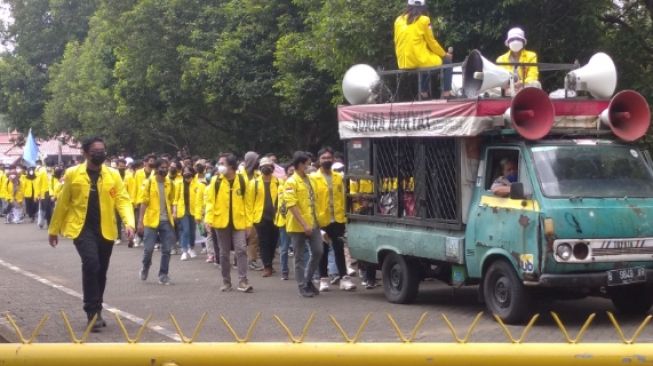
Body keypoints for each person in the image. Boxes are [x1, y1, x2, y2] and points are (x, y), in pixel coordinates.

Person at [48, 136, 135, 332]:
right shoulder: (72, 174)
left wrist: (129, 223)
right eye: (95, 151)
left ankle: (97, 307)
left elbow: (122, 200)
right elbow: (63, 203)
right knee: (91, 263)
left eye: (102, 150)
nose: (100, 154)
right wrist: (53, 230)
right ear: (86, 153)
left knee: (101, 270)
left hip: (106, 229)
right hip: (81, 228)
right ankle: (91, 312)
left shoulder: (113, 175)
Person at [206, 153, 254, 293]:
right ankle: (226, 281)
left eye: (222, 163)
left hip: (239, 222)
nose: (219, 166)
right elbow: (210, 202)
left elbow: (248, 204)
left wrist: (249, 224)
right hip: (221, 222)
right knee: (224, 253)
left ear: (231, 166)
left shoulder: (243, 181)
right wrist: (208, 220)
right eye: (219, 163)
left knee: (241, 249)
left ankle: (243, 281)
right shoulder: (216, 181)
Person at [312, 148, 356, 292]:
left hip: (337, 218)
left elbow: (343, 196)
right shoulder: (313, 178)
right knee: (322, 251)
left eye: (329, 157)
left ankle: (344, 278)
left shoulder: (338, 177)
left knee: (338, 248)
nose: (326, 160)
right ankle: (323, 279)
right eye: (324, 158)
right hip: (321, 219)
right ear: (319, 160)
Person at [394, 0, 453, 99]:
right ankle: (447, 93)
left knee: (426, 58)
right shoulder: (424, 20)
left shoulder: (398, 20)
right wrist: (445, 55)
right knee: (447, 61)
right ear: (423, 7)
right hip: (417, 59)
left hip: (403, 62)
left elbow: (396, 41)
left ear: (408, 6)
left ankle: (424, 93)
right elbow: (432, 43)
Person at [285, 151, 324, 298]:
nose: (310, 166)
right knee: (299, 257)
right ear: (300, 164)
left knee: (318, 251)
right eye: (308, 163)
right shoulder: (291, 182)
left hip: (313, 223)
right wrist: (304, 224)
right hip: (298, 226)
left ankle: (308, 280)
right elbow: (291, 205)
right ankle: (302, 285)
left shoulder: (311, 180)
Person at [137, 158, 176, 285]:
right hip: (151, 220)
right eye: (162, 167)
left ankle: (163, 274)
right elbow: (144, 203)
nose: (164, 170)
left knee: (167, 249)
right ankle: (145, 267)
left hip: (166, 221)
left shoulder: (170, 183)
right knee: (148, 249)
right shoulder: (149, 183)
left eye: (166, 167)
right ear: (156, 168)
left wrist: (173, 213)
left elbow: (171, 200)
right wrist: (140, 222)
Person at [246, 157, 280, 277]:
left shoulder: (279, 182)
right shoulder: (253, 183)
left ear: (273, 168)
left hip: (276, 217)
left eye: (269, 166)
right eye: (264, 166)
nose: (267, 168)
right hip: (260, 218)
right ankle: (267, 266)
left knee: (273, 242)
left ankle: (269, 262)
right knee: (264, 242)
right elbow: (249, 203)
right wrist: (249, 222)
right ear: (260, 168)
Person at [496, 27, 540, 94]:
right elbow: (499, 78)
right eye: (512, 39)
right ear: (508, 42)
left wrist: (521, 83)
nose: (515, 41)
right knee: (491, 87)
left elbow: (533, 76)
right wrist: (509, 85)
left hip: (524, 87)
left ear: (523, 42)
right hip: (508, 88)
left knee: (536, 84)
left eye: (518, 39)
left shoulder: (531, 55)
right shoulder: (501, 59)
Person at [174, 166, 198, 261]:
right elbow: (175, 199)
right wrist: (174, 211)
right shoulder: (179, 184)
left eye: (189, 172)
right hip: (182, 210)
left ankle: (191, 247)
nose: (186, 174)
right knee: (186, 230)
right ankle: (184, 250)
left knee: (192, 231)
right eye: (185, 172)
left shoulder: (197, 184)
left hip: (194, 210)